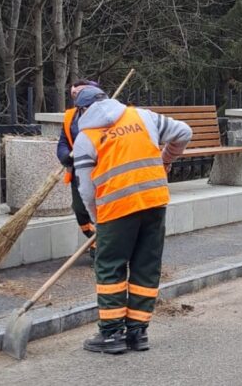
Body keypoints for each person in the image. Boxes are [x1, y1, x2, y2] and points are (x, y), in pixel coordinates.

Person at [72, 86, 192, 354]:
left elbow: (86, 190)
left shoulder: (86, 138)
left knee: (110, 267)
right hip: (153, 202)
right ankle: (138, 334)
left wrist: (96, 219)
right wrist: (166, 159)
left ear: (82, 110)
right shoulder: (142, 116)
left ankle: (112, 335)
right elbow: (184, 132)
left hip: (117, 209)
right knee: (145, 265)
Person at [57, 79, 100, 259]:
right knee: (80, 209)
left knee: (100, 211)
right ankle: (97, 239)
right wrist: (66, 156)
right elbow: (63, 142)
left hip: (101, 170)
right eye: (74, 94)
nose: (77, 97)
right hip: (79, 172)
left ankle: (99, 249)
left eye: (80, 93)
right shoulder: (70, 117)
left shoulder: (104, 116)